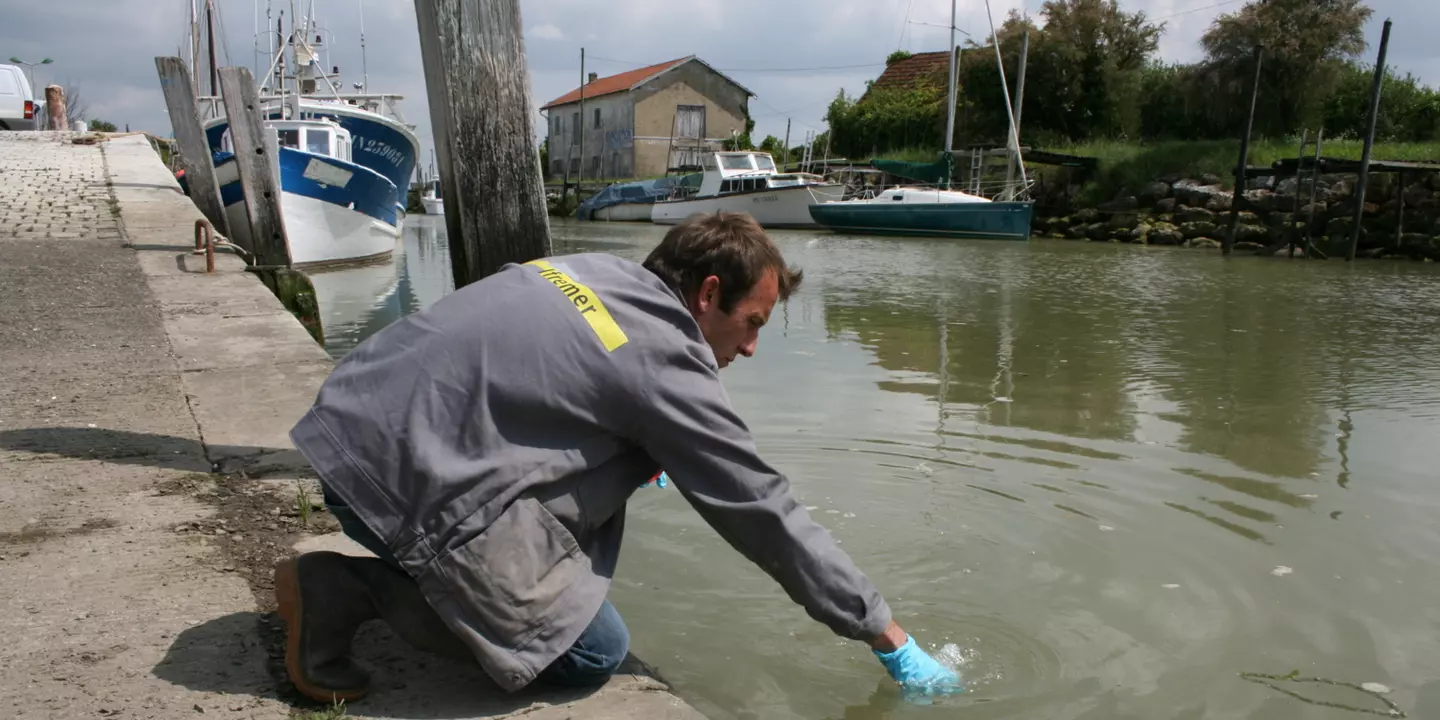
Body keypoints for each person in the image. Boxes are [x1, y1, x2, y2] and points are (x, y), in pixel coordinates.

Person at [278, 211, 960, 703]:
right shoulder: (666, 360)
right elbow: (764, 512)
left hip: (340, 435)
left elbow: (548, 383)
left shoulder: (590, 271)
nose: (751, 349)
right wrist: (885, 632)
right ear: (709, 293)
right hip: (386, 485)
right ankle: (349, 593)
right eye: (751, 323)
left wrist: (629, 446)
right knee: (587, 650)